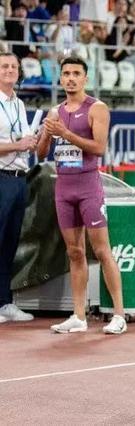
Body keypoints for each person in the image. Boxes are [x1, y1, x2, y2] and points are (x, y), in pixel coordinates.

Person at [37, 56, 126, 334]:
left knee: (101, 250)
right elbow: (40, 154)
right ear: (60, 78)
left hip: (88, 187)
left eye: (76, 73)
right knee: (74, 252)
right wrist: (47, 134)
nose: (71, 78)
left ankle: (119, 314)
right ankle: (78, 315)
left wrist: (65, 133)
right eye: (66, 73)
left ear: (85, 78)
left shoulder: (97, 108)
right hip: (64, 188)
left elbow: (99, 148)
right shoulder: (54, 112)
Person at [0, 52, 37, 323]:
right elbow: (16, 143)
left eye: (14, 66)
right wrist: (18, 145)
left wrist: (31, 141)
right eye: (4, 66)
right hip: (1, 177)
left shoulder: (19, 104)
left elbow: (24, 138)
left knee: (10, 243)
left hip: (18, 178)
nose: (10, 70)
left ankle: (4, 302)